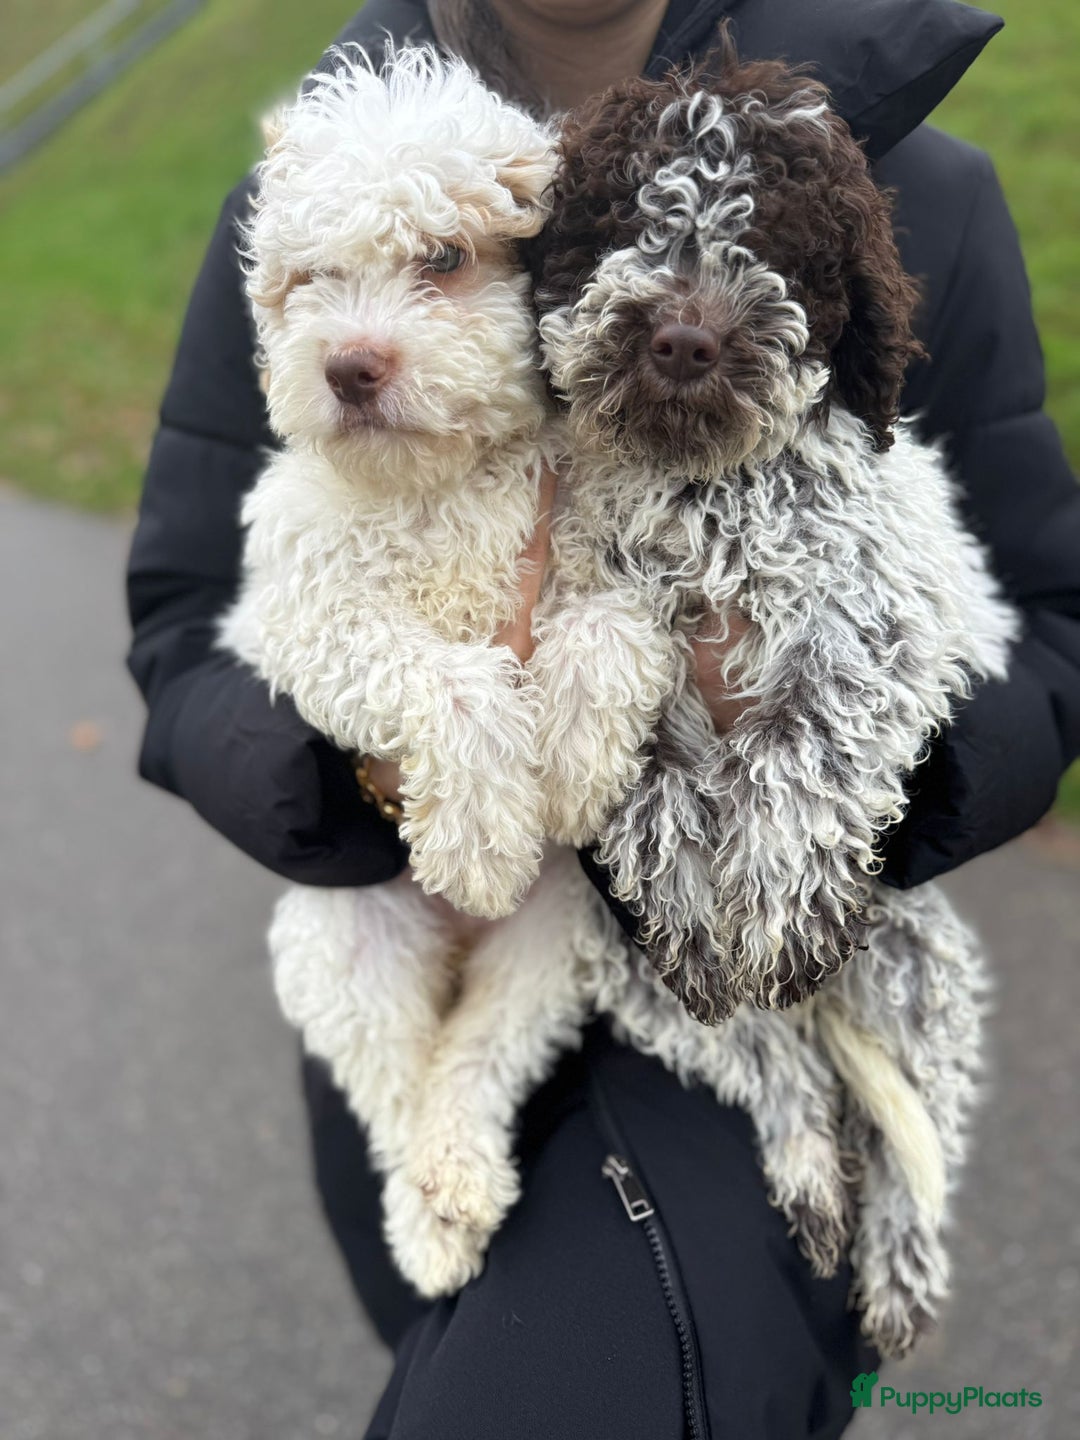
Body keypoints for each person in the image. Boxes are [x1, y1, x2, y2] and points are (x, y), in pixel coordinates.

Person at [126, 1, 1080, 1435]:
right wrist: (368, 776)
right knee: (441, 1326)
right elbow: (188, 614)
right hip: (442, 966)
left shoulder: (919, 193)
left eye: (451, 269)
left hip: (770, 1001)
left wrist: (821, 765)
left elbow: (1049, 628)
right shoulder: (325, 189)